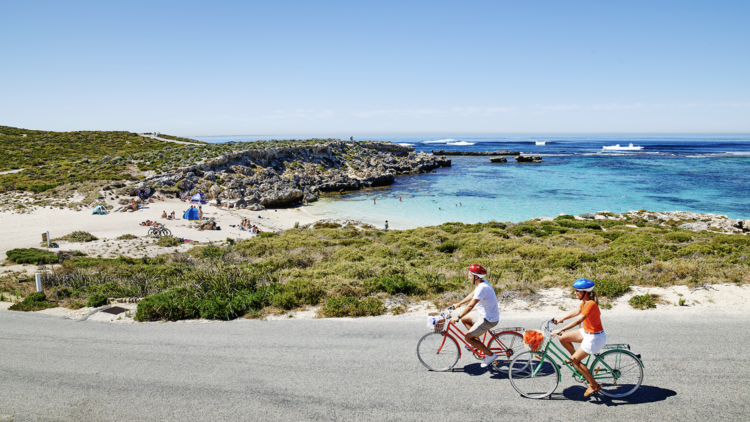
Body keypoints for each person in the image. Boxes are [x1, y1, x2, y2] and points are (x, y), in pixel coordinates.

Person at [551, 278, 606, 397]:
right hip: (587, 332)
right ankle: (576, 359)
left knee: (575, 361)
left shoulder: (591, 304)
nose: (575, 293)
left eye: (577, 291)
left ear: (585, 293)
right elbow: (578, 311)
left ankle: (594, 385)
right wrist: (562, 319)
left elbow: (579, 320)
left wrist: (561, 328)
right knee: (563, 338)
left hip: (595, 337)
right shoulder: (586, 301)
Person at [450, 265, 501, 368]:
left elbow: (470, 306)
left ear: (476, 277)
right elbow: (471, 295)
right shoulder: (482, 284)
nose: (468, 277)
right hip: (484, 314)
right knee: (465, 319)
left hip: (488, 319)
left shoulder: (482, 288)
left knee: (467, 337)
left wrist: (458, 317)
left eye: (470, 276)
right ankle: (476, 343)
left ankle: (490, 355)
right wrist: (459, 304)